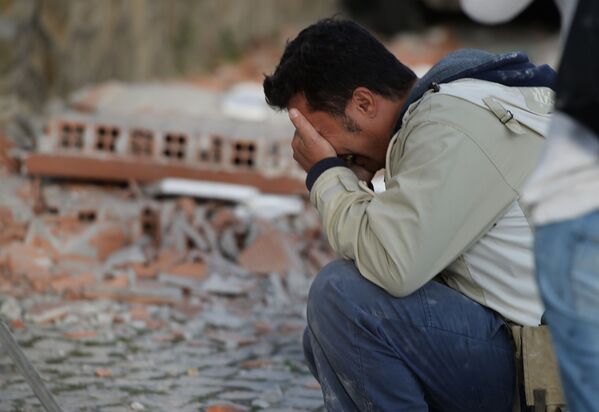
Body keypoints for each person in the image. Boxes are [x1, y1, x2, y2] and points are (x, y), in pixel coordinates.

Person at [263, 19, 556, 411]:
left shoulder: (452, 125)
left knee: (341, 301)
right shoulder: (465, 102)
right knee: (327, 335)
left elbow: (394, 264)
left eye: (320, 135)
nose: (323, 150)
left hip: (557, 368)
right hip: (546, 350)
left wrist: (326, 175)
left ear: (363, 103)